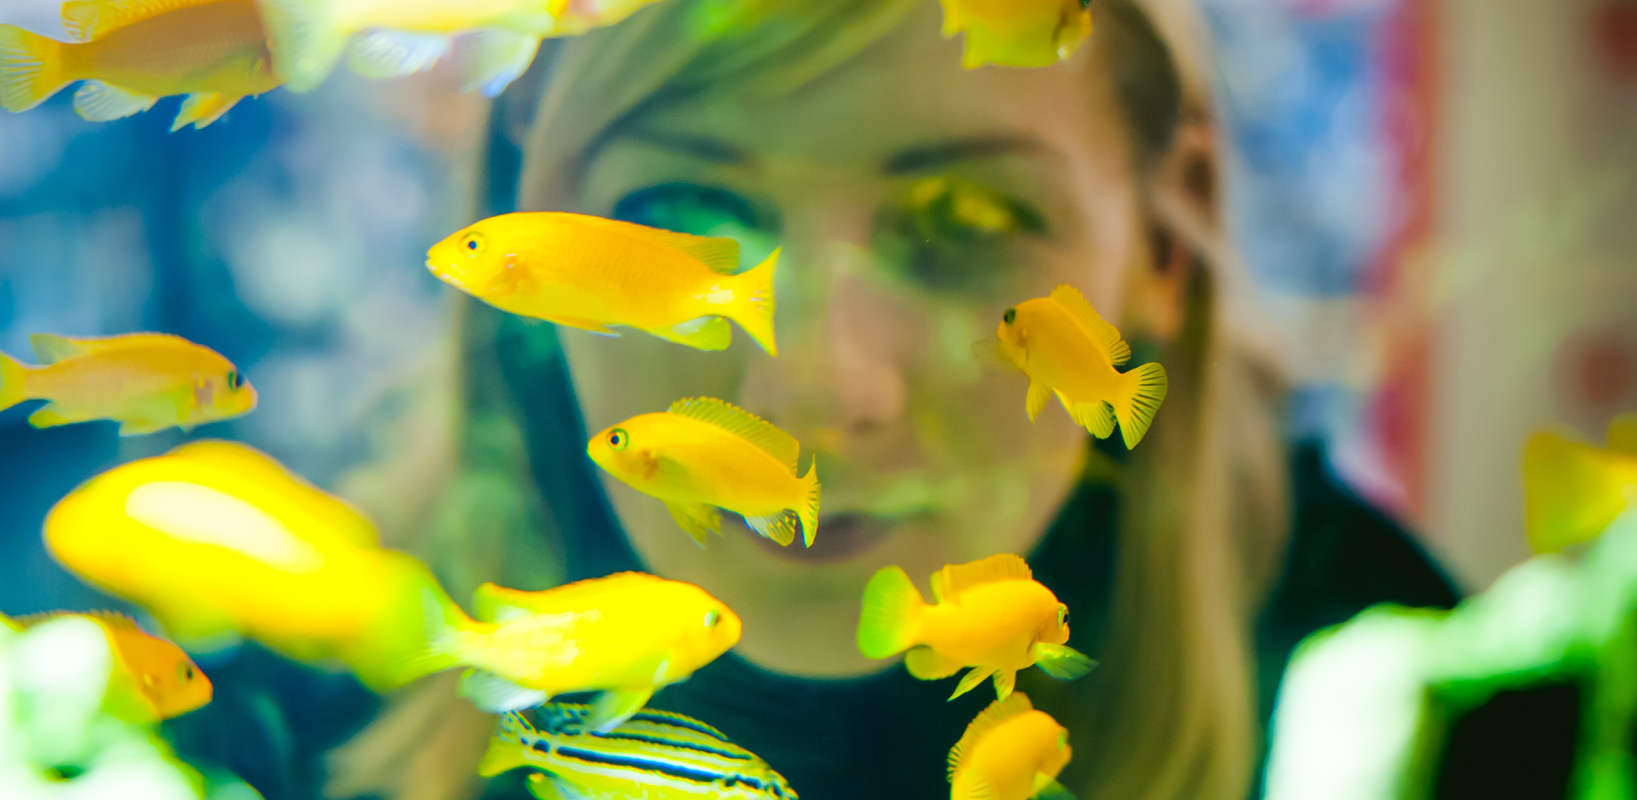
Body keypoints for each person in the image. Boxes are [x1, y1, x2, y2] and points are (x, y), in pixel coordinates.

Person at [322, 1, 1459, 799]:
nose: (813, 391)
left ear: (1162, 244)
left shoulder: (1414, 693)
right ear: (527, 211)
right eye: (676, 211)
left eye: (964, 224)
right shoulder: (282, 681)